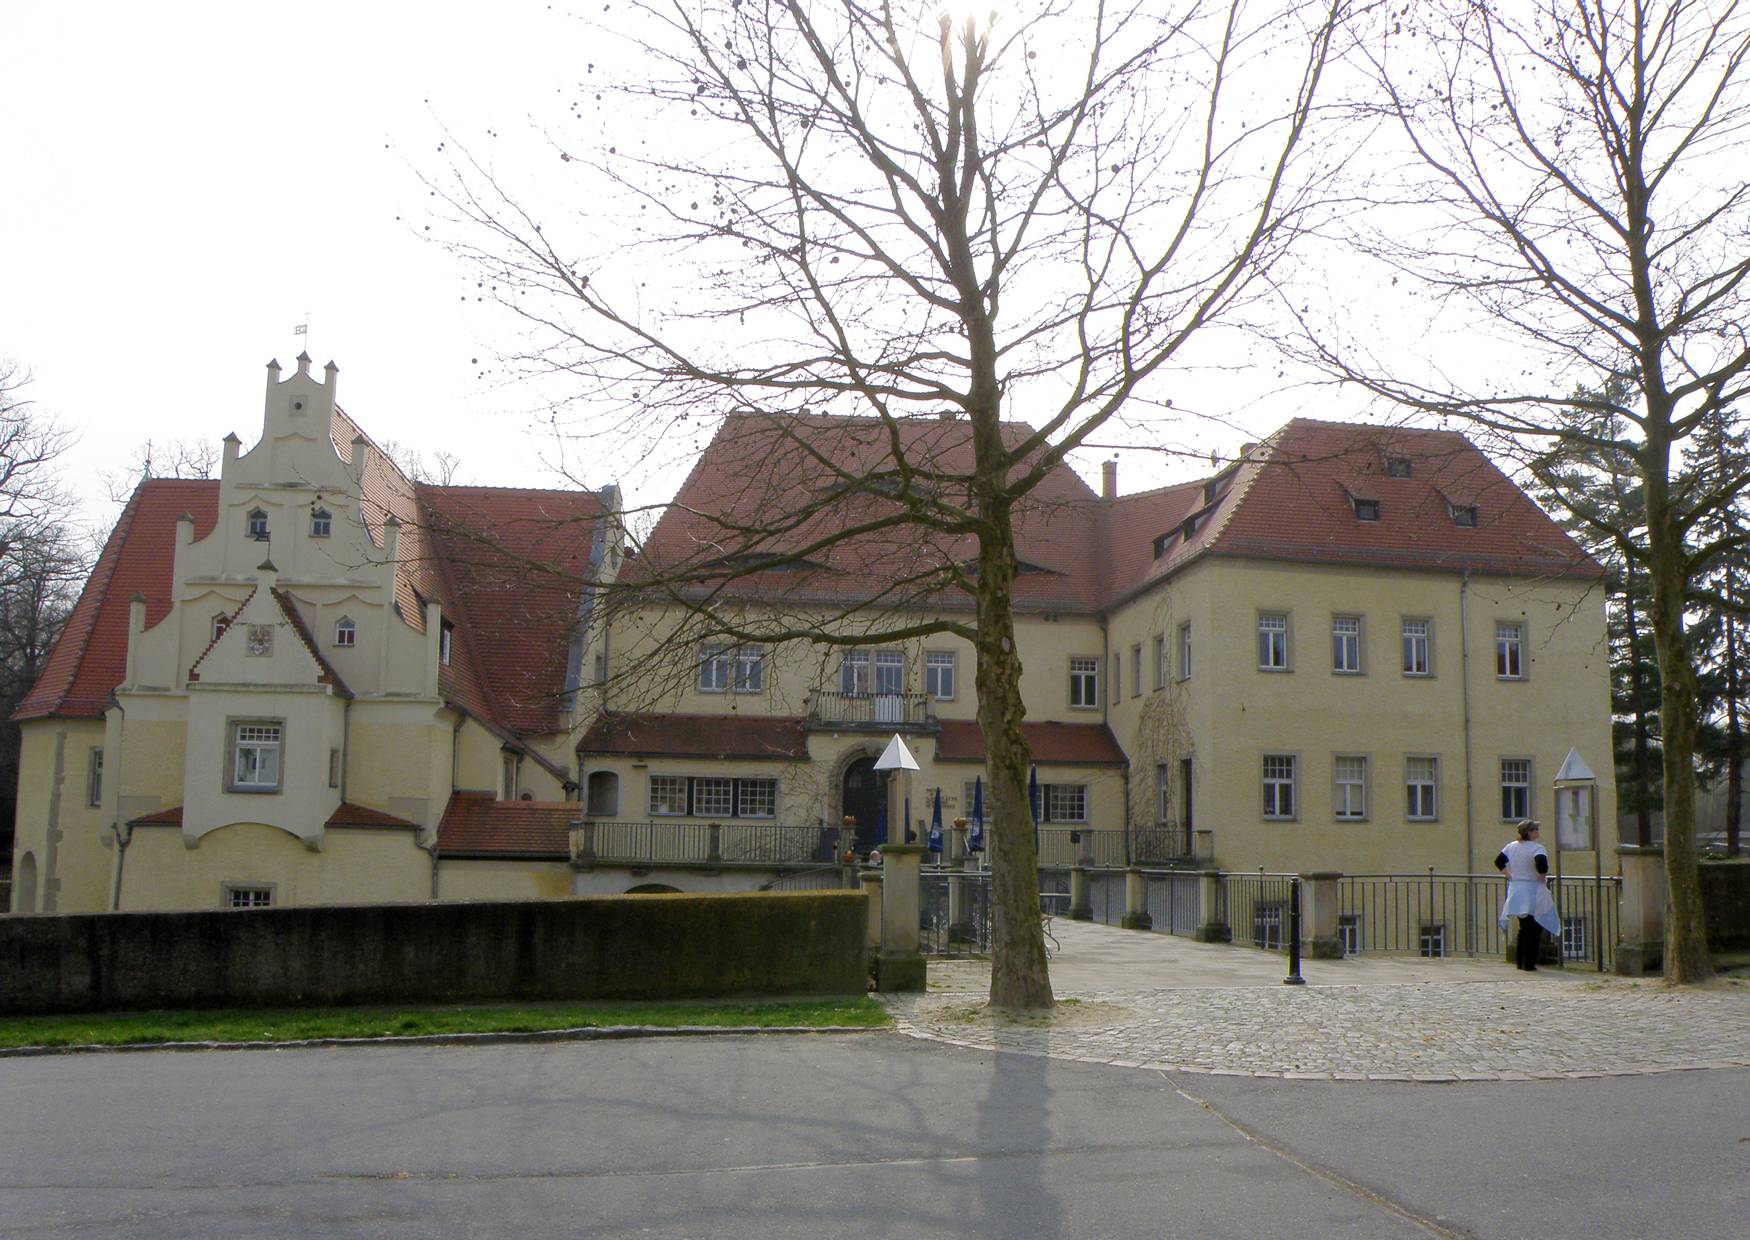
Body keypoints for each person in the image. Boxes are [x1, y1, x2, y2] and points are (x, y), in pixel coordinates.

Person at [1496, 820, 1561, 971]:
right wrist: (1542, 875)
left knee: (1523, 927)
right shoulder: (1537, 848)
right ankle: (1529, 963)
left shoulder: (1511, 846)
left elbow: (1499, 860)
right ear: (1530, 832)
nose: (1538, 831)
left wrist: (1508, 874)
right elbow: (1541, 862)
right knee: (1534, 928)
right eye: (1536, 829)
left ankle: (1520, 961)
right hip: (1532, 888)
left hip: (1516, 888)